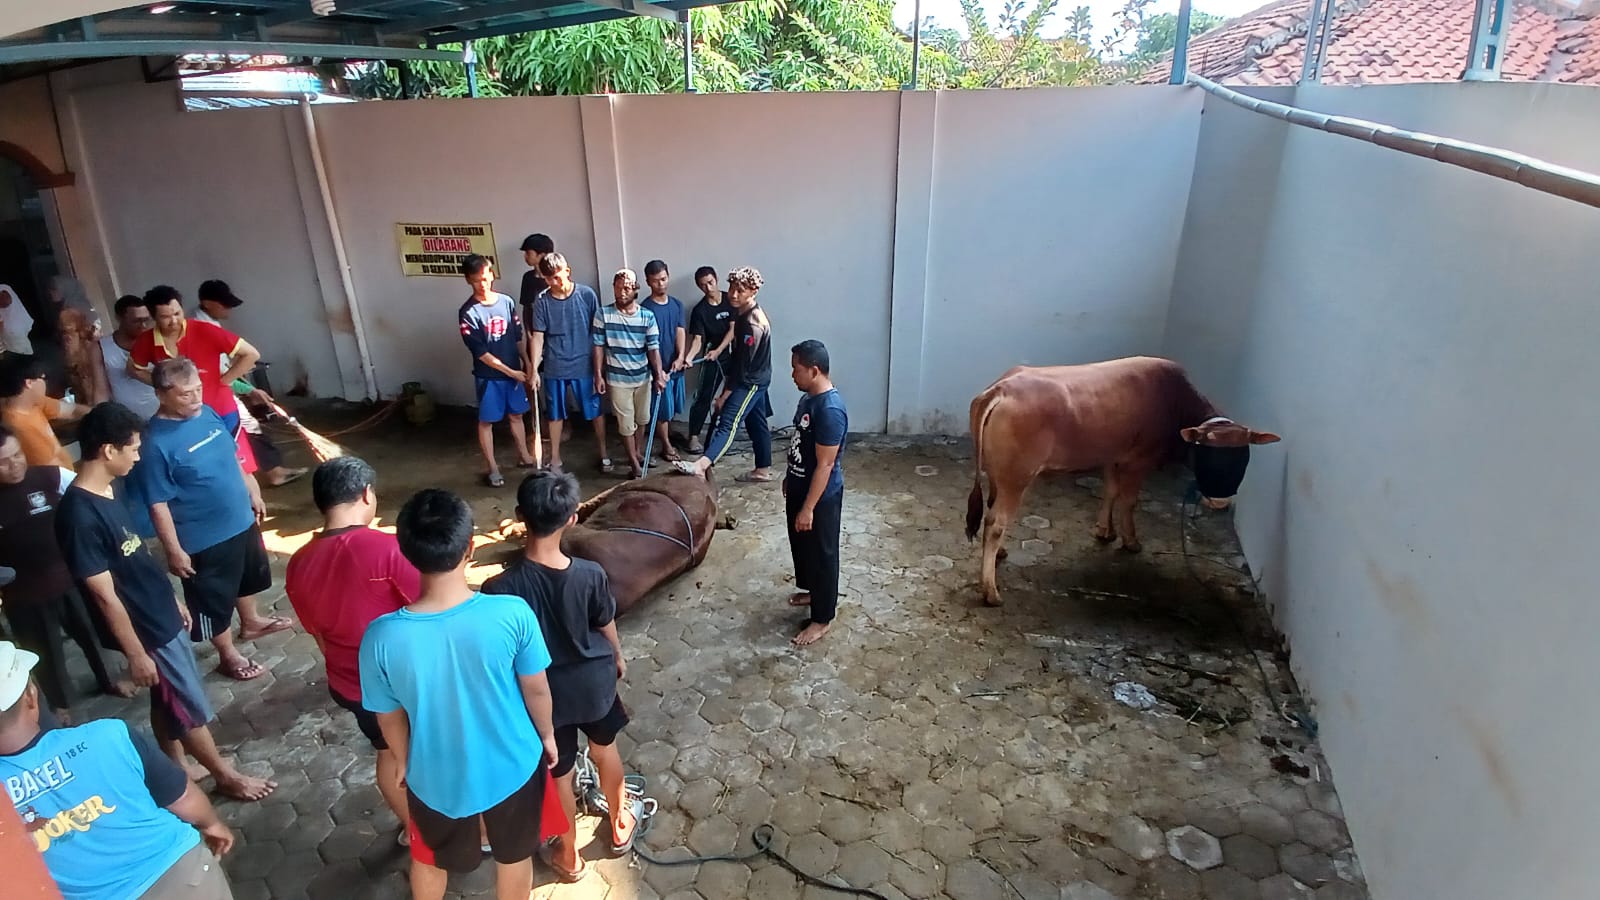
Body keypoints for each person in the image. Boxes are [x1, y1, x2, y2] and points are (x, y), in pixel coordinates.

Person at [55, 400, 276, 801]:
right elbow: (104, 596)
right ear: (108, 450)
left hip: (160, 612)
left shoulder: (108, 490)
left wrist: (172, 600)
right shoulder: (79, 515)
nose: (139, 456)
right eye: (134, 448)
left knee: (168, 695)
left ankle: (175, 764)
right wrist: (136, 652)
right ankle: (227, 776)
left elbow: (134, 558)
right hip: (146, 628)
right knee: (188, 705)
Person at [358, 488, 565, 900]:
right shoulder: (511, 614)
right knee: (514, 858)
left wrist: (402, 760)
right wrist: (546, 737)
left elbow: (389, 716)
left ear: (406, 552)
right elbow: (537, 690)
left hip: (433, 776)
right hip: (514, 766)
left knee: (430, 860)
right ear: (470, 547)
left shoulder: (379, 637)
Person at [484, 471, 637, 881]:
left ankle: (569, 857)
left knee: (560, 775)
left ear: (520, 517)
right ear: (572, 518)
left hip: (543, 698)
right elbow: (605, 625)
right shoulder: (590, 574)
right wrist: (617, 658)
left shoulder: (499, 588)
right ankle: (620, 823)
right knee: (606, 750)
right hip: (593, 684)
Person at [0, 640, 239, 900]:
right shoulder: (108, 735)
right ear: (31, 696)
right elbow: (182, 797)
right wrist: (212, 823)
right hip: (182, 874)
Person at [284, 456, 418, 845]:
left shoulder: (298, 564)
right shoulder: (389, 549)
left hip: (350, 684)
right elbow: (433, 612)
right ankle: (455, 827)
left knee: (389, 753)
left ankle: (415, 831)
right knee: (427, 751)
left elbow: (318, 637)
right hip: (405, 684)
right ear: (366, 494)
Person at [136, 358, 290, 683]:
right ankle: (227, 653)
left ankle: (251, 622)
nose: (195, 399)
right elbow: (157, 504)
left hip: (240, 518)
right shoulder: (154, 444)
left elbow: (233, 455)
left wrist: (253, 490)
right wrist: (174, 550)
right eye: (185, 395)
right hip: (202, 536)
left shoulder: (206, 413)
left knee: (246, 577)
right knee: (212, 597)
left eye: (198, 390)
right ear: (162, 395)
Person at [0, 426, 133, 721]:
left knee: (93, 633)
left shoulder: (51, 477)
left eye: (17, 455)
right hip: (25, 594)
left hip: (72, 577)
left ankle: (109, 679)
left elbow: (91, 498)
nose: (15, 464)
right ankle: (60, 704)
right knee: (43, 651)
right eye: (4, 461)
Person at [128, 285, 262, 472]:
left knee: (237, 466)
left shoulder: (205, 330)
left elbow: (251, 354)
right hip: (181, 417)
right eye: (165, 317)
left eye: (177, 313)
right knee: (200, 467)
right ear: (154, 317)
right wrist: (164, 386)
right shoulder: (147, 340)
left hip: (221, 409)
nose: (174, 321)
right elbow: (134, 369)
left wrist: (223, 381)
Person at [192, 279, 306, 488]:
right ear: (207, 303)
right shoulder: (202, 328)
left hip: (215, 390)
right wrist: (248, 389)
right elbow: (218, 373)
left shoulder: (207, 323)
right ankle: (271, 473)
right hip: (212, 394)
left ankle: (267, 471)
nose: (229, 309)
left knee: (242, 428)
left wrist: (247, 388)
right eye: (224, 304)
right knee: (246, 427)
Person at [673, 266, 775, 483]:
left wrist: (725, 395)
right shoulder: (741, 313)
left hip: (751, 381)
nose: (734, 295)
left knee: (728, 421)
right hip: (755, 377)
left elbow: (743, 367)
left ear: (753, 291)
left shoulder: (752, 324)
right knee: (756, 422)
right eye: (732, 289)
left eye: (741, 291)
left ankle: (701, 466)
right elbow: (738, 358)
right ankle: (762, 470)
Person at [783, 340, 849, 647]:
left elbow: (825, 465)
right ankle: (813, 592)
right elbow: (799, 441)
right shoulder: (808, 399)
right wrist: (789, 477)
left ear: (814, 369)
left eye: (796, 369)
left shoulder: (830, 409)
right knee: (803, 547)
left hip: (820, 497)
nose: (792, 374)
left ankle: (822, 618)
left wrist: (809, 507)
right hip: (799, 486)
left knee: (823, 554)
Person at [457, 254, 536, 488]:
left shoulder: (506, 302)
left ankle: (525, 456)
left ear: (492, 274)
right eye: (476, 280)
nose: (483, 284)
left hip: (514, 372)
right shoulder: (468, 313)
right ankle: (492, 466)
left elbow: (518, 337)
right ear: (468, 281)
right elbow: (481, 353)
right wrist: (512, 372)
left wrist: (528, 364)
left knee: (517, 415)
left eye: (485, 277)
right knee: (487, 421)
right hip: (489, 377)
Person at [528, 251, 607, 475]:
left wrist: (599, 368)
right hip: (555, 366)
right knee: (554, 414)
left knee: (595, 411)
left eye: (557, 276)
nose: (554, 282)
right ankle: (554, 458)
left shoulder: (587, 295)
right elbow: (538, 336)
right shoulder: (542, 301)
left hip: (584, 365)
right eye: (548, 278)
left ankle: (603, 453)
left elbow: (598, 333)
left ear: (567, 271)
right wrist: (534, 369)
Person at [593, 269, 667, 479]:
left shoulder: (647, 316)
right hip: (617, 379)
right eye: (617, 288)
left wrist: (659, 374)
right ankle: (634, 464)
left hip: (643, 378)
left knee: (642, 419)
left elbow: (654, 348)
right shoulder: (603, 314)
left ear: (635, 289)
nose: (621, 292)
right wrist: (598, 375)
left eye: (626, 288)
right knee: (626, 424)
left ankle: (637, 451)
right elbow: (598, 346)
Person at [684, 266, 736, 454]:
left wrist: (720, 350)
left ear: (716, 279)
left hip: (733, 354)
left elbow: (733, 329)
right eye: (703, 285)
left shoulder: (731, 299)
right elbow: (697, 339)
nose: (708, 287)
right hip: (711, 357)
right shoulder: (700, 311)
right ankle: (694, 437)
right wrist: (689, 357)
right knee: (704, 397)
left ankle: (725, 435)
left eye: (710, 282)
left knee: (734, 395)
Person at [0, 355, 85, 469]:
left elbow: (72, 410)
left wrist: (104, 414)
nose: (46, 383)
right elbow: (52, 468)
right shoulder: (18, 426)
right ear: (29, 383)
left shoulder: (33, 402)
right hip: (58, 482)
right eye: (43, 377)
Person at [641, 260, 688, 464]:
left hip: (675, 367)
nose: (661, 284)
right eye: (655, 281)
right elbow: (648, 344)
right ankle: (666, 446)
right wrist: (658, 371)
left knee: (672, 408)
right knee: (661, 411)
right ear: (647, 282)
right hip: (657, 371)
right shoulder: (645, 309)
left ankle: (667, 438)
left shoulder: (677, 304)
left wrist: (680, 357)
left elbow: (680, 330)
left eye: (663, 279)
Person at [92, 295, 159, 419]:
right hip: (128, 419)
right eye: (136, 321)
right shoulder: (101, 347)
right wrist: (101, 418)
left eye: (146, 320)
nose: (143, 325)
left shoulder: (157, 340)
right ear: (119, 318)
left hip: (162, 413)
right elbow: (101, 391)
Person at [0, 282, 33, 360]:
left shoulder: (3, 288)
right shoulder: (5, 287)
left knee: (22, 362)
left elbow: (6, 301)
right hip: (14, 334)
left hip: (13, 335)